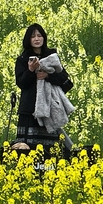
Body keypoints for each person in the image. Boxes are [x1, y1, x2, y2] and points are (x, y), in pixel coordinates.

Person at [14, 23, 75, 157]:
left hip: (49, 111)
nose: (37, 39)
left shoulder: (52, 58)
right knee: (26, 151)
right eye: (33, 36)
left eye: (39, 35)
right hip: (29, 111)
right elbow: (21, 83)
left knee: (50, 153)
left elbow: (65, 80)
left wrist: (48, 76)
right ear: (28, 40)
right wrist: (30, 70)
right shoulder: (23, 60)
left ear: (44, 38)